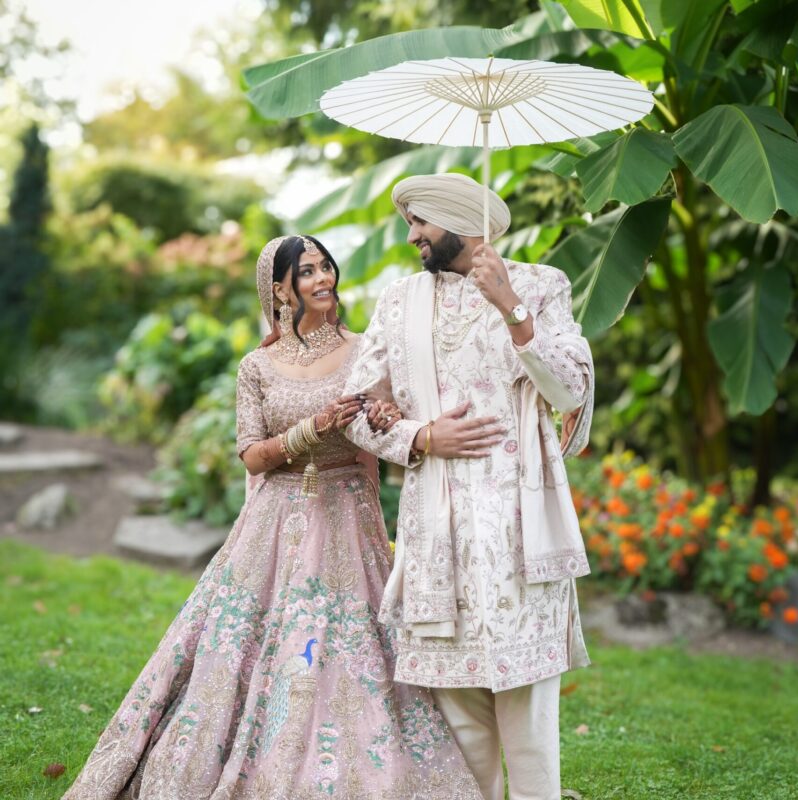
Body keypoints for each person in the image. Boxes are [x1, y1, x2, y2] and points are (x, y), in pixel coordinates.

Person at [63, 235, 483, 800]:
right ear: (280, 290)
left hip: (346, 515)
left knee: (349, 646)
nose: (323, 278)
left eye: (326, 267)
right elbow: (252, 455)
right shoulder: (256, 367)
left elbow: (389, 420)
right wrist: (313, 429)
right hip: (273, 521)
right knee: (244, 645)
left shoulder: (366, 349)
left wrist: (386, 413)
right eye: (307, 271)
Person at [343, 173, 595, 800]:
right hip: (438, 533)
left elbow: (570, 391)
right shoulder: (399, 301)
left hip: (519, 529)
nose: (411, 236)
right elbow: (355, 409)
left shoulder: (542, 285)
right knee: (460, 726)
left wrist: (512, 307)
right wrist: (422, 436)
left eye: (420, 222)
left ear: (460, 219)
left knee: (528, 719)